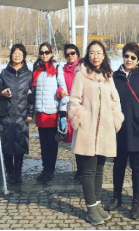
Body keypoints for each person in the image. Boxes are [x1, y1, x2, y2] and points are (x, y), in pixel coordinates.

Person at [69, 40, 124, 226]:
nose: (95, 56)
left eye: (99, 53)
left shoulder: (108, 75)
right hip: (87, 130)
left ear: (104, 55)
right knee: (89, 170)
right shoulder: (81, 75)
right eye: (92, 52)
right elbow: (74, 100)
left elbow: (115, 100)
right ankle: (90, 208)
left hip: (105, 130)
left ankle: (97, 203)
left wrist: (115, 119)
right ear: (88, 55)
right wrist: (81, 117)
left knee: (100, 169)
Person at [110, 42, 139, 219]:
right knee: (118, 166)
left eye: (133, 57)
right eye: (126, 56)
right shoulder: (115, 77)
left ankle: (136, 202)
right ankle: (117, 197)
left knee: (137, 168)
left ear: (137, 61)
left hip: (137, 131)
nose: (129, 59)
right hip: (119, 130)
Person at [0, 43, 34, 185]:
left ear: (24, 57)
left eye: (20, 54)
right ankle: (9, 173)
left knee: (20, 145)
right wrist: (2, 92)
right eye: (15, 53)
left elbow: (31, 96)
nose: (17, 56)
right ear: (11, 55)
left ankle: (18, 174)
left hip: (21, 115)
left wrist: (30, 113)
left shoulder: (28, 75)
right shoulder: (4, 73)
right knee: (7, 146)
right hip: (6, 114)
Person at [32, 42, 64, 182]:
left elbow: (62, 87)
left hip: (52, 112)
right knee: (43, 144)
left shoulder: (57, 68)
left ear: (51, 53)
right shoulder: (36, 69)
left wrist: (62, 107)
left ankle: (50, 170)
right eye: (42, 52)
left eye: (47, 52)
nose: (44, 55)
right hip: (40, 112)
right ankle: (45, 168)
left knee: (52, 144)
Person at [57, 43, 82, 182]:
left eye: (72, 53)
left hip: (84, 107)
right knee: (76, 140)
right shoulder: (63, 71)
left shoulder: (84, 68)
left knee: (86, 139)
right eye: (67, 54)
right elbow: (59, 85)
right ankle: (80, 169)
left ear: (77, 54)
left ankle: (88, 168)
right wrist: (60, 91)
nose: (70, 56)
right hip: (71, 109)